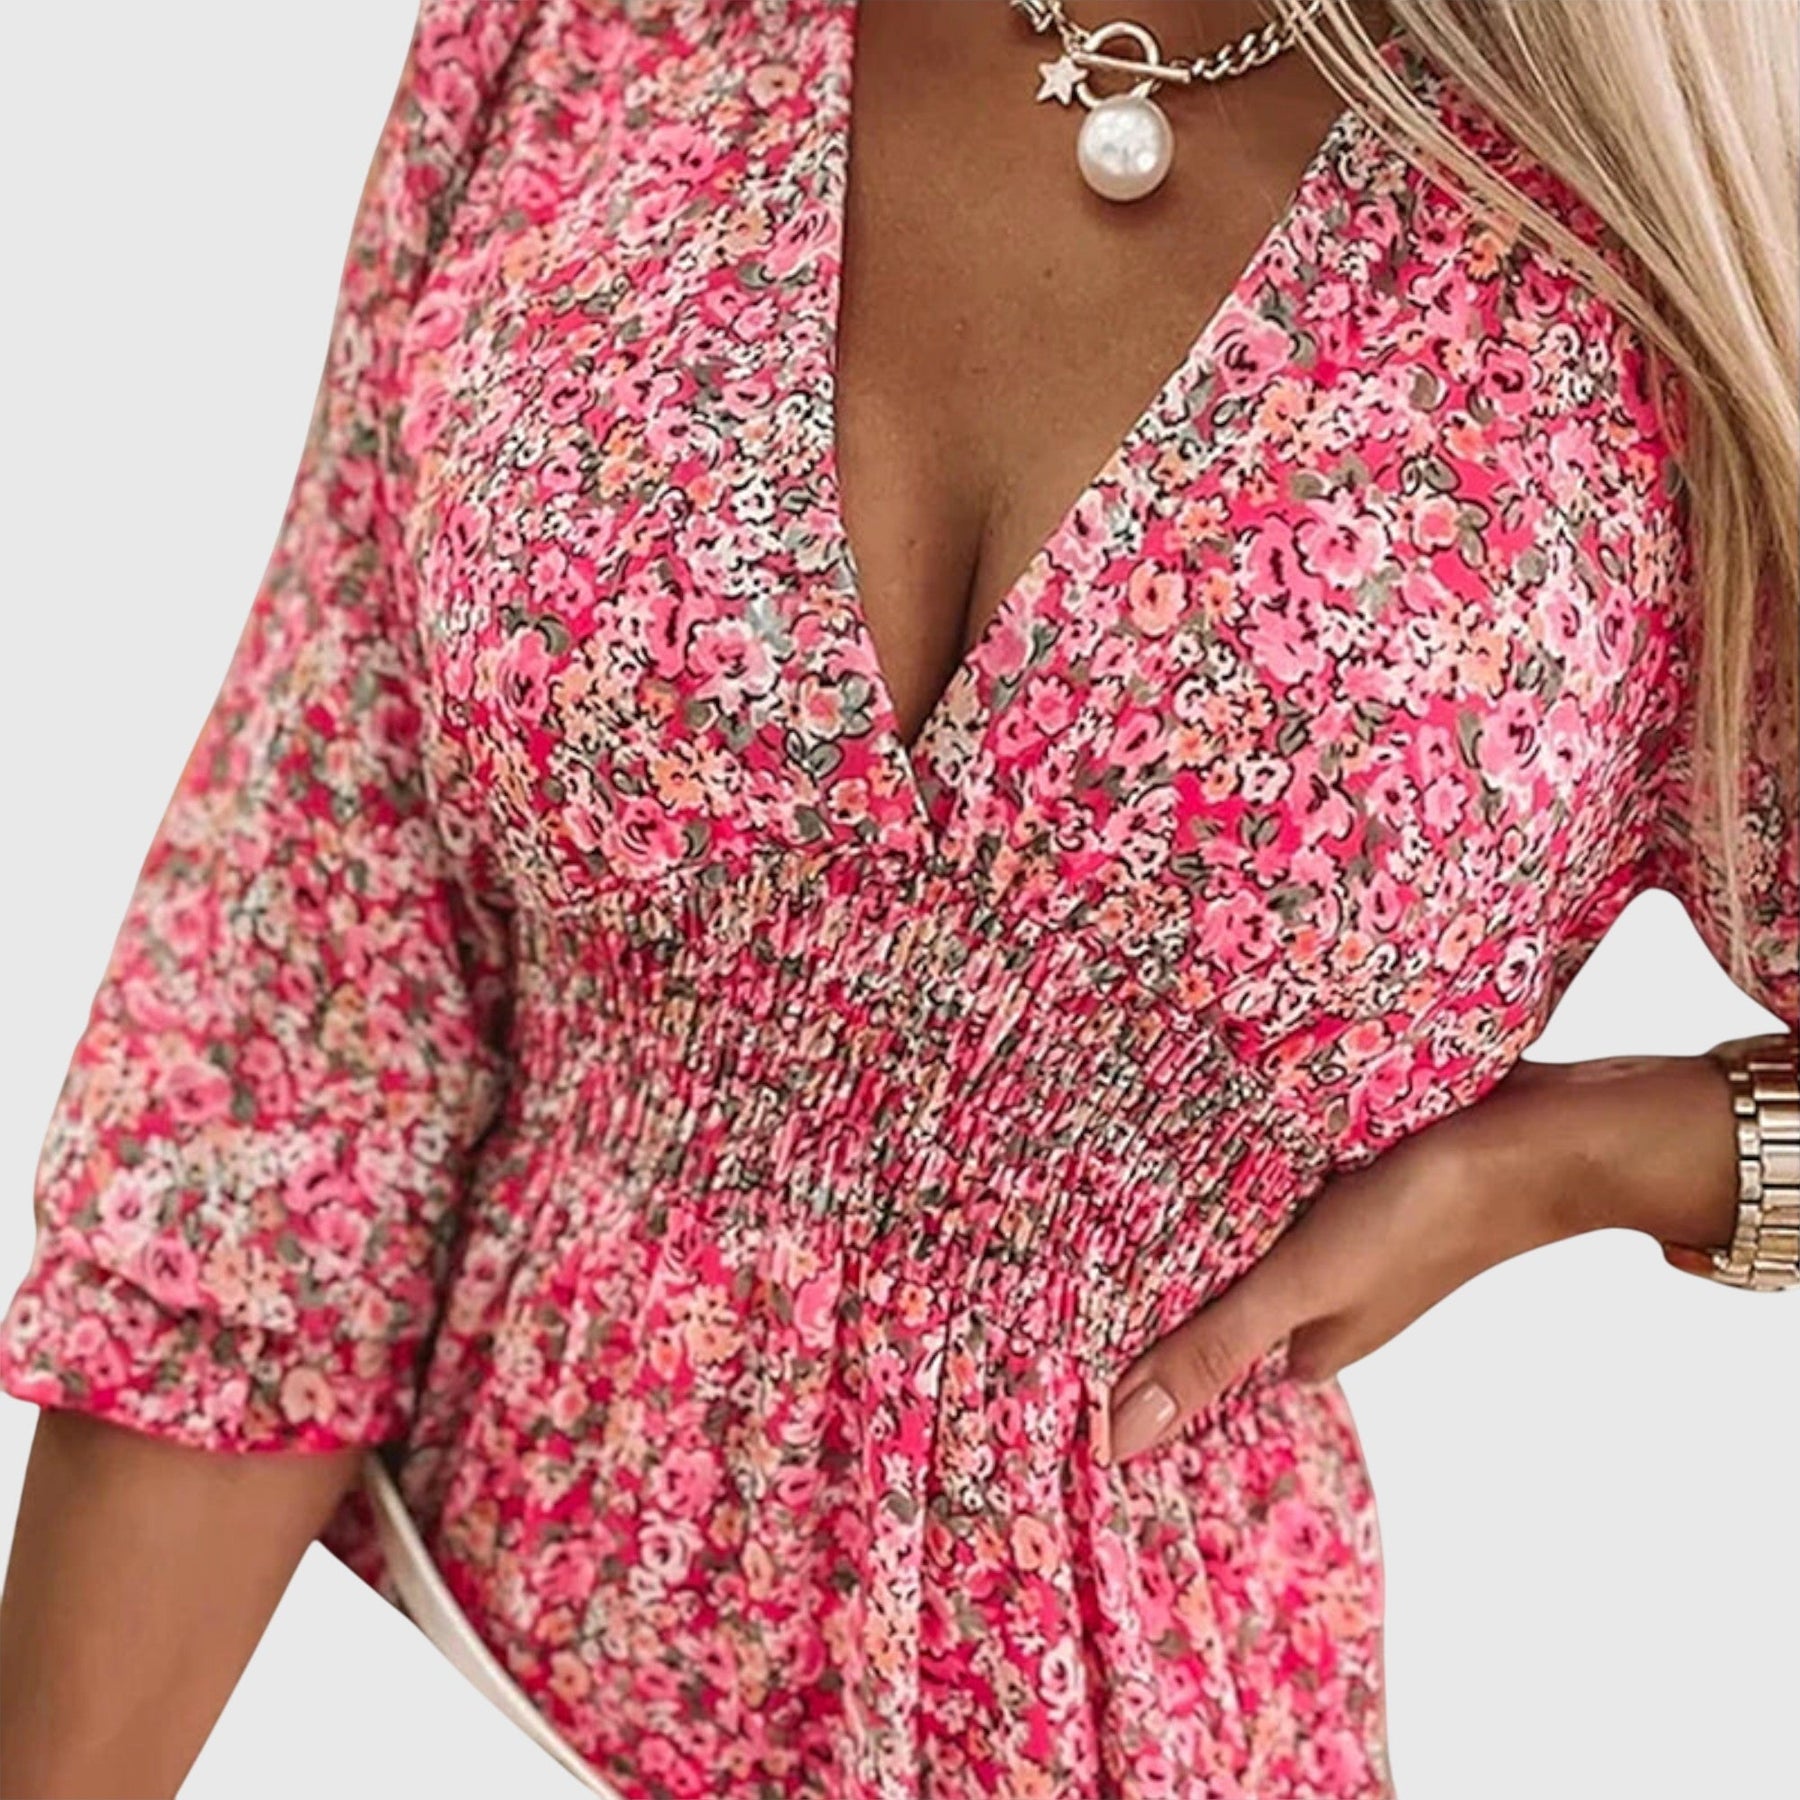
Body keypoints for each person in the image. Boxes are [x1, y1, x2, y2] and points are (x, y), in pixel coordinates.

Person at [0, 0, 1795, 1795]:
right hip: (437, 1677)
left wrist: (1577, 1162)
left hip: (1142, 1732)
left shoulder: (1676, 234)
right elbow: (299, 1014)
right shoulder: (610, 35)